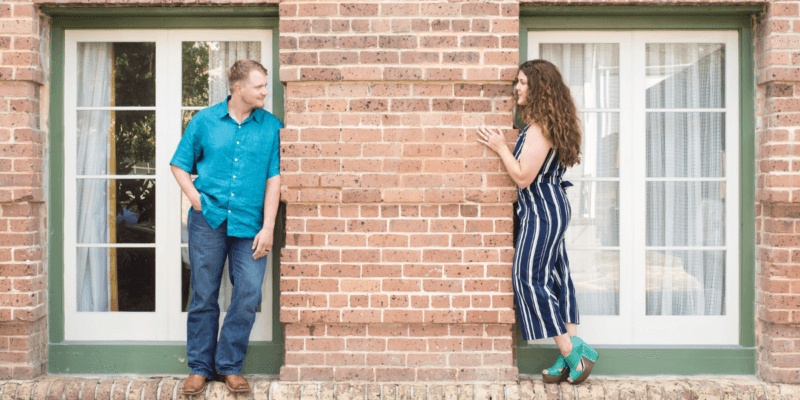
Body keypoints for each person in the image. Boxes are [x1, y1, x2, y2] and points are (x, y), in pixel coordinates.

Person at [476, 59, 598, 385]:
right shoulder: (550, 125)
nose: (517, 88)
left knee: (528, 278)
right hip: (552, 206)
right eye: (517, 82)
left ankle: (573, 352)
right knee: (558, 278)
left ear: (538, 88)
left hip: (542, 211)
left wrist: (501, 146)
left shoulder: (539, 128)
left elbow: (522, 176)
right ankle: (566, 357)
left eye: (522, 83)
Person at [170, 59, 282, 394]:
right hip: (209, 220)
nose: (265, 91)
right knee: (204, 293)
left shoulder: (271, 126)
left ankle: (230, 365)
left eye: (265, 86)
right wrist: (194, 198)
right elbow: (179, 164)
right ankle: (200, 367)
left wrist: (270, 227)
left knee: (248, 292)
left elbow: (274, 179)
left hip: (251, 224)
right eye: (259, 86)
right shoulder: (204, 121)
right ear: (238, 88)